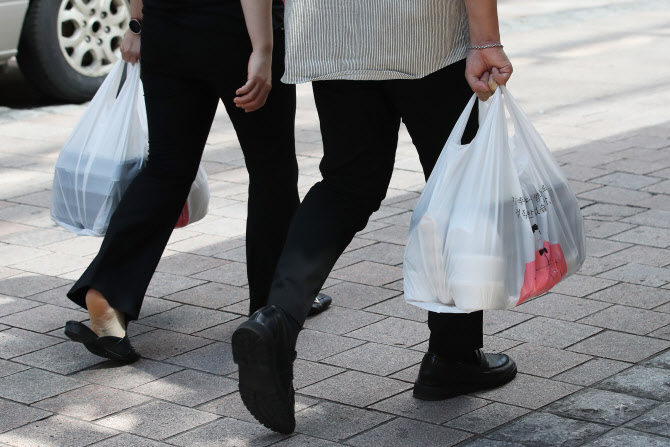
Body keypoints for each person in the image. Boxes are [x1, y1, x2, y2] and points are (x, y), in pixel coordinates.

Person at [231, 0, 518, 434]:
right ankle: (452, 356)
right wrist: (486, 41)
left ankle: (278, 319)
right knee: (455, 184)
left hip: (332, 32)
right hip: (425, 31)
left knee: (346, 185)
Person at [63, 0, 331, 363]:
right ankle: (273, 303)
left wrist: (137, 22)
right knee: (272, 170)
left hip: (165, 29)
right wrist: (263, 50)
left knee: (167, 168)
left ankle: (108, 294)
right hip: (235, 29)